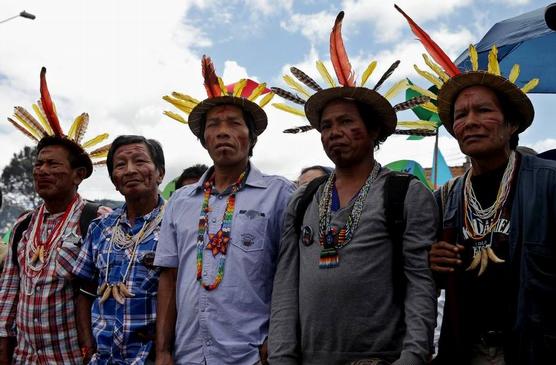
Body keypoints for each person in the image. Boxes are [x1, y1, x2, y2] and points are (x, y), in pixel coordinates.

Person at [269, 12, 437, 365]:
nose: (334, 132)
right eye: (326, 125)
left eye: (346, 122)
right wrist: (283, 356)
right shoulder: (303, 198)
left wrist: (413, 357)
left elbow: (421, 282)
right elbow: (286, 285)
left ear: (374, 132)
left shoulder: (405, 194)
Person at [397, 8, 556, 364]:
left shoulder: (548, 182)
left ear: (511, 123)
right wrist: (433, 262)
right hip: (463, 349)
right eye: (461, 115)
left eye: (484, 111)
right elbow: (427, 283)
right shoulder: (445, 198)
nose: (470, 122)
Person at [155, 55, 295, 364]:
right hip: (188, 354)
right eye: (214, 125)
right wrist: (163, 350)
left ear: (251, 137)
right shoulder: (180, 201)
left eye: (234, 123)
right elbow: (169, 277)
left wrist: (278, 339)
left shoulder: (280, 194)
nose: (222, 131)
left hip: (251, 355)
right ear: (203, 139)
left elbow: (292, 274)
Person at [0, 68, 111, 364]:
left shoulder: (98, 221)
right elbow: (10, 289)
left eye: (53, 165)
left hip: (73, 357)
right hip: (24, 357)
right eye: (39, 164)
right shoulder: (23, 224)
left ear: (79, 175)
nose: (42, 171)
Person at [73, 135, 166, 364]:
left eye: (140, 161)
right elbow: (84, 293)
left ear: (160, 173)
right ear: (114, 181)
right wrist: (88, 347)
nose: (130, 170)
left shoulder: (176, 226)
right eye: (121, 165)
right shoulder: (100, 228)